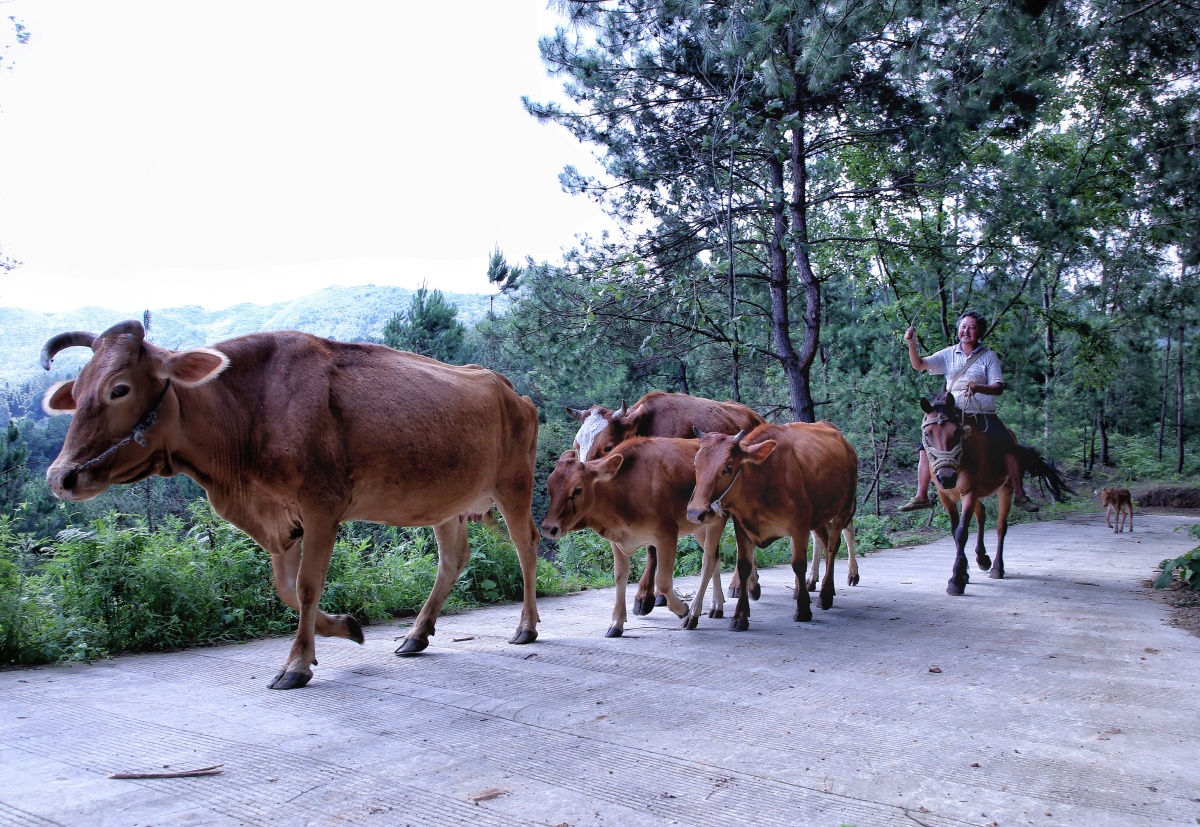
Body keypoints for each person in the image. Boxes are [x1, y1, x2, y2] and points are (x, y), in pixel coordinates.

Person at [897, 311, 1040, 513]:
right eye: (963, 326)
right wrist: (911, 344)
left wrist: (978, 387)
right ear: (958, 329)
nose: (966, 331)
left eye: (972, 327)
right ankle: (921, 496)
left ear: (979, 331)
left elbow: (998, 387)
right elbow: (919, 364)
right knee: (925, 448)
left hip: (983, 416)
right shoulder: (948, 353)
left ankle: (1019, 494)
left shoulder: (988, 357)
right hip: (952, 414)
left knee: (1008, 446)